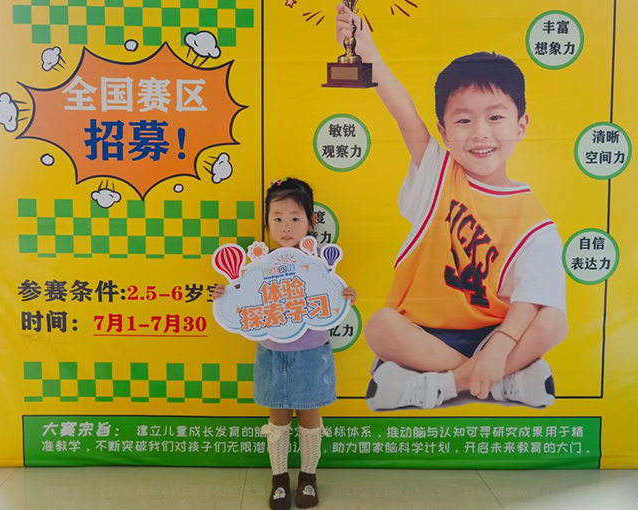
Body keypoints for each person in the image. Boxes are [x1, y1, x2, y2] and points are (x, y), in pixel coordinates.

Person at [334, 4, 567, 411]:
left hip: (494, 332)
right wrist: (368, 53)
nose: (480, 133)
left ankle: (441, 385)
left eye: (495, 117)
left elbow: (532, 295)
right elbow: (405, 114)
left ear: (521, 125)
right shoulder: (438, 175)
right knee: (381, 326)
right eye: (463, 121)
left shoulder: (535, 220)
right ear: (442, 131)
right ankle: (499, 382)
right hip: (426, 332)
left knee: (553, 320)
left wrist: (501, 345)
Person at [213, 177, 357, 509]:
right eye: (277, 218)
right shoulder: (258, 266)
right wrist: (225, 295)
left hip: (311, 352)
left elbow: (333, 297)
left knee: (309, 417)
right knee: (277, 419)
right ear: (267, 222)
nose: (286, 226)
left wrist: (346, 295)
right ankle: (279, 480)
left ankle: (308, 478)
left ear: (310, 221)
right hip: (272, 353)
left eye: (294, 217)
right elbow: (240, 298)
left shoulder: (318, 263)